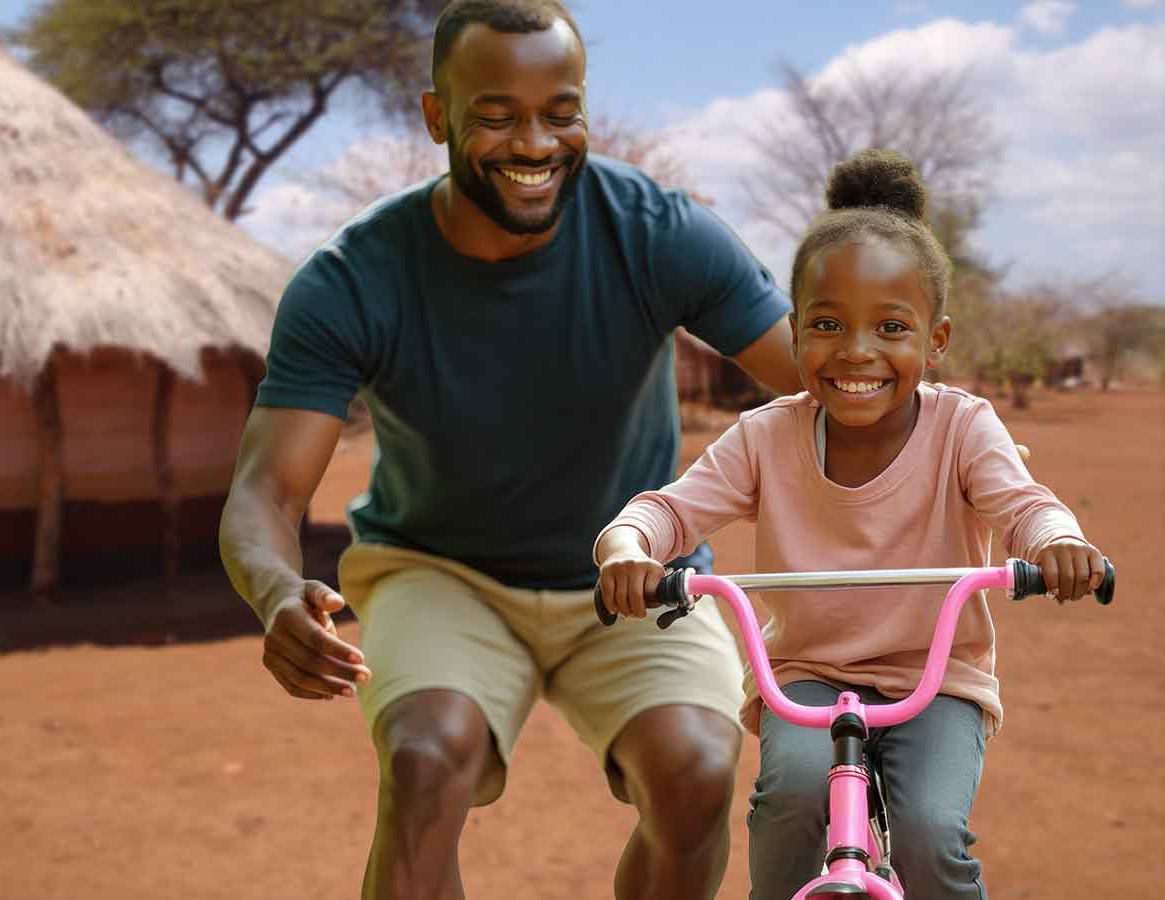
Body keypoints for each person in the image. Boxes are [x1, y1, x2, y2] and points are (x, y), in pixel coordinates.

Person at [217, 2, 805, 897]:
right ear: (437, 117)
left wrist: (960, 453)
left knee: (697, 773)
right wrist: (273, 592)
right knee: (424, 761)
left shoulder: (654, 232)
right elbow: (267, 489)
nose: (534, 142)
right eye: (496, 115)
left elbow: (818, 382)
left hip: (637, 567)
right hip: (442, 572)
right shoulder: (353, 279)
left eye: (559, 111)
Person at [593, 148, 1108, 899]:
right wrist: (628, 550)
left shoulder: (966, 427)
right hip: (804, 677)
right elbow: (663, 512)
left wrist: (1058, 543)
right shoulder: (766, 436)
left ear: (936, 341)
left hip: (937, 683)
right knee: (787, 805)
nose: (857, 351)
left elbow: (1025, 506)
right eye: (828, 324)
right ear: (796, 334)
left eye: (892, 327)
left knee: (933, 833)